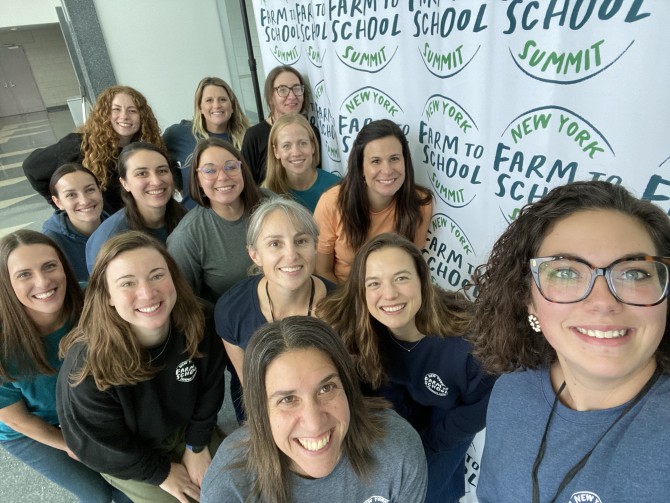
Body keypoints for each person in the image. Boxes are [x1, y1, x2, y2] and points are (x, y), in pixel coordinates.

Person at [470, 181, 670, 502]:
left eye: (634, 273)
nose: (603, 302)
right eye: (565, 273)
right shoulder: (511, 392)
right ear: (529, 300)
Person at [319, 233, 494, 502]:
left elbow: (479, 408)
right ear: (360, 292)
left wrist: (430, 445)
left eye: (401, 278)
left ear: (422, 281)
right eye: (374, 283)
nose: (389, 294)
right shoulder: (358, 329)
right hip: (397, 402)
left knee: (426, 489)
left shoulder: (468, 342)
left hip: (452, 412)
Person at [57, 231, 227, 503]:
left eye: (157, 275)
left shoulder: (201, 319)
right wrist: (161, 473)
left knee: (232, 488)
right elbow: (102, 446)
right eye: (127, 283)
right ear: (108, 296)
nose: (147, 293)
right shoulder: (86, 367)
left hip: (186, 429)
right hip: (131, 455)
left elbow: (211, 387)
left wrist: (197, 444)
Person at [201, 316, 428, 503]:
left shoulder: (398, 449)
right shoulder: (228, 487)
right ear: (261, 410)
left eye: (326, 388)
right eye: (288, 399)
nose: (314, 423)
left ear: (347, 387)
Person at [0, 230, 120, 502]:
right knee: (97, 493)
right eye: (24, 274)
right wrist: (70, 445)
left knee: (128, 483)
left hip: (89, 408)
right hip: (33, 426)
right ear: (6, 284)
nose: (43, 282)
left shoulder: (92, 300)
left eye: (49, 266)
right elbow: (15, 418)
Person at [216, 197, 335, 421]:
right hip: (263, 412)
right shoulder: (231, 309)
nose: (291, 255)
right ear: (254, 254)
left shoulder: (342, 307)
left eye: (301, 241)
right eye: (275, 243)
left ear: (315, 246)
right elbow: (249, 385)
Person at [314, 119, 433, 283]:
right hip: (344, 297)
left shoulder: (420, 203)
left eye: (394, 158)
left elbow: (412, 268)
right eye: (376, 161)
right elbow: (322, 271)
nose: (387, 170)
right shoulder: (332, 203)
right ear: (361, 167)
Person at [23, 85, 164, 214]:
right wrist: (62, 205)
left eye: (132, 111)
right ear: (103, 114)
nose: (124, 116)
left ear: (142, 117)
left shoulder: (142, 151)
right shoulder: (78, 145)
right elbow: (31, 166)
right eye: (116, 109)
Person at [167, 137, 269, 304]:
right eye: (210, 171)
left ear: (242, 169)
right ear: (197, 180)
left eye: (230, 167)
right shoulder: (186, 236)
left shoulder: (269, 202)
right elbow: (185, 302)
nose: (222, 177)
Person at [85, 142, 186, 271]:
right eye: (142, 174)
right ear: (125, 183)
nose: (156, 181)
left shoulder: (186, 218)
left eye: (162, 171)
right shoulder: (109, 237)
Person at [163, 77, 250, 209]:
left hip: (238, 216)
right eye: (209, 100)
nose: (217, 105)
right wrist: (180, 185)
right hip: (193, 218)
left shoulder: (247, 137)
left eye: (223, 99)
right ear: (200, 107)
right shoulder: (179, 134)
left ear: (232, 106)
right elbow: (157, 161)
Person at [241, 65, 321, 184]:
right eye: (282, 90)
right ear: (270, 97)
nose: (292, 96)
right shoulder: (254, 136)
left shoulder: (311, 131)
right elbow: (246, 183)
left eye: (297, 88)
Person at [42, 163, 108, 284]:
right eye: (71, 195)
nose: (84, 201)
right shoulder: (49, 244)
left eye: (90, 190)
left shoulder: (122, 227)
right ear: (58, 202)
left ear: (100, 191)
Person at [264, 113, 339, 212]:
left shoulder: (338, 187)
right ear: (276, 151)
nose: (296, 153)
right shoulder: (266, 196)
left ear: (312, 146)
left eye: (303, 143)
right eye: (286, 146)